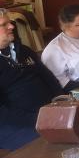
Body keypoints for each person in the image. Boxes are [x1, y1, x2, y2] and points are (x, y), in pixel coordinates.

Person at [0, 9, 63, 150]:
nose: (11, 27)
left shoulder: (24, 51)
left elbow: (49, 79)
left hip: (47, 113)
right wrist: (38, 119)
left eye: (10, 23)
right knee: (50, 141)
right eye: (4, 25)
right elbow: (2, 112)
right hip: (15, 124)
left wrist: (62, 101)